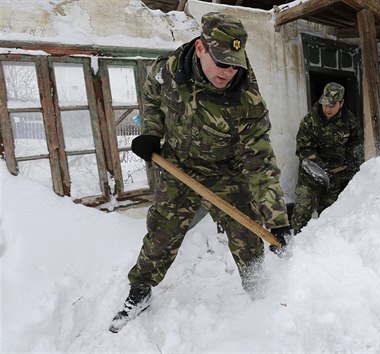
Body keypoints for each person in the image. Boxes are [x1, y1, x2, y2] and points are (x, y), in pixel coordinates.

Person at [110, 12, 291, 332]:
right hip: (177, 165)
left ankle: (266, 300)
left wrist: (277, 220)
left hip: (228, 171)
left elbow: (260, 162)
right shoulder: (167, 69)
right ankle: (140, 290)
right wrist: (151, 130)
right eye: (222, 62)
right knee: (162, 234)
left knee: (247, 239)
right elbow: (152, 94)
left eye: (235, 64)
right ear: (200, 48)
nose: (228, 72)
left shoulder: (247, 99)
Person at [291, 82, 363, 233]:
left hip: (334, 175)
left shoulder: (350, 122)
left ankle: (322, 245)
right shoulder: (309, 121)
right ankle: (296, 244)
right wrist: (319, 166)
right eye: (325, 104)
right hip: (310, 173)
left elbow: (355, 144)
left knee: (329, 213)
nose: (328, 109)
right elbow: (304, 149)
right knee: (302, 211)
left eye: (332, 105)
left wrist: (352, 162)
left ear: (341, 103)